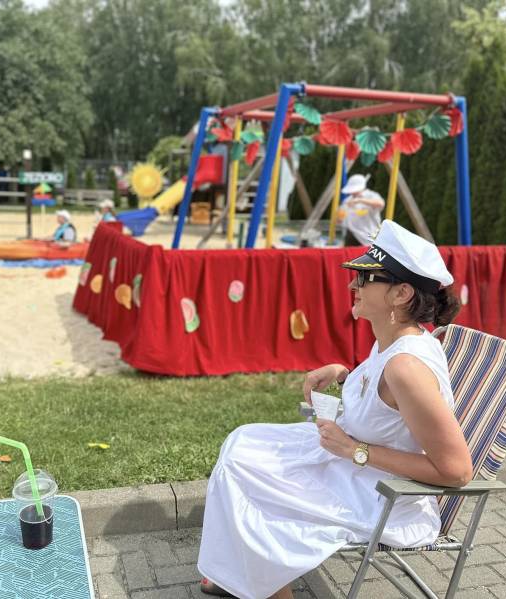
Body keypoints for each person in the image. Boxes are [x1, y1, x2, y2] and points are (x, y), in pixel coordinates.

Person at [197, 220, 470, 599]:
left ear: (401, 293)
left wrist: (355, 450)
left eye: (365, 278)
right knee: (243, 443)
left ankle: (259, 583)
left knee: (248, 473)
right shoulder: (394, 340)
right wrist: (344, 374)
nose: (352, 285)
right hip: (357, 473)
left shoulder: (407, 367)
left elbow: (457, 471)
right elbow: (387, 403)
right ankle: (244, 573)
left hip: (385, 498)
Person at [339, 173, 385, 246]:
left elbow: (380, 203)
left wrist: (360, 200)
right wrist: (340, 217)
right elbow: (340, 219)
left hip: (369, 236)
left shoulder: (371, 195)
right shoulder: (347, 200)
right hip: (351, 235)